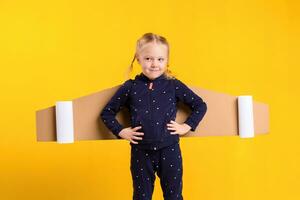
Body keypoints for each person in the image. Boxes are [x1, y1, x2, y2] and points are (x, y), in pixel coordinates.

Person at [100, 32, 207, 200]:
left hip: (170, 149)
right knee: (141, 197)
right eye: (148, 59)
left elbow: (200, 105)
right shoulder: (130, 87)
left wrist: (186, 126)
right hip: (141, 153)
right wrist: (120, 131)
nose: (154, 64)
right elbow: (107, 112)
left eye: (160, 59)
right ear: (138, 59)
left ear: (166, 60)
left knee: (174, 196)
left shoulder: (173, 85)